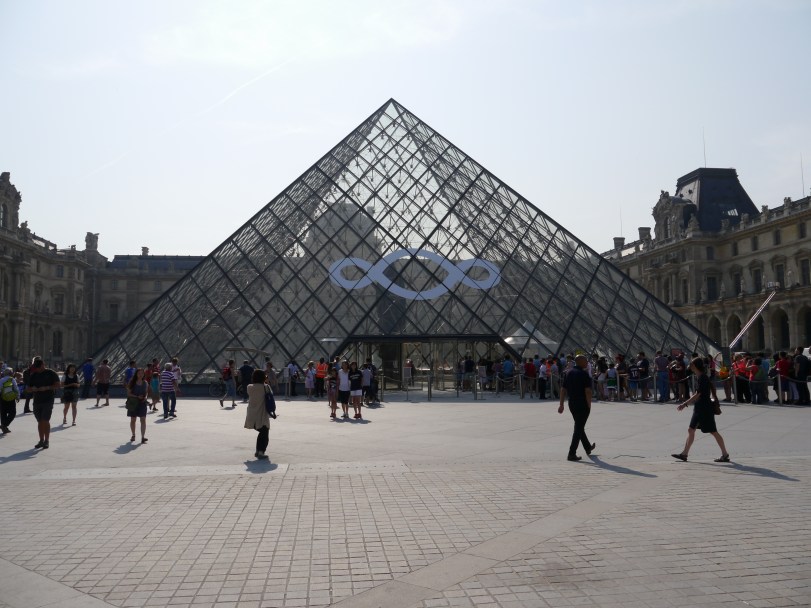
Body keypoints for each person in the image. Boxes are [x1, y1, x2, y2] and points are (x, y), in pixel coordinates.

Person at [672, 357, 730, 463]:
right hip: (699, 408)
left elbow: (698, 394)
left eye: (691, 364)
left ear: (695, 366)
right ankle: (684, 454)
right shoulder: (700, 377)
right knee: (691, 430)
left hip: (704, 409)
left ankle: (725, 454)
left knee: (713, 431)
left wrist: (684, 404)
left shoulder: (702, 378)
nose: (689, 365)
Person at [558, 354, 596, 461]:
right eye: (585, 361)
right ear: (580, 362)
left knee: (579, 425)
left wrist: (561, 404)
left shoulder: (568, 373)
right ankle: (571, 453)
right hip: (582, 403)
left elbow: (563, 389)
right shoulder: (584, 374)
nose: (587, 362)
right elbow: (588, 391)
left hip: (572, 403)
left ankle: (587, 447)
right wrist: (589, 404)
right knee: (578, 428)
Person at [26, 356, 61, 450]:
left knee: (45, 420)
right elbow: (28, 389)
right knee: (40, 421)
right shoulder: (33, 375)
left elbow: (58, 385)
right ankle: (41, 440)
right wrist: (32, 389)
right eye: (36, 367)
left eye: (38, 367)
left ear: (43, 365)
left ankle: (46, 441)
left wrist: (47, 388)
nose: (37, 369)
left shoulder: (51, 373)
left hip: (48, 400)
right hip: (37, 400)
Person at [245, 369, 271, 459]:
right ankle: (261, 452)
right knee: (265, 433)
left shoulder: (249, 387)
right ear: (263, 377)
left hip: (252, 414)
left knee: (262, 433)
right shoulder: (266, 387)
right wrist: (266, 381)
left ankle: (258, 451)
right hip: (262, 414)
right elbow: (270, 395)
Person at [126, 368, 149, 443]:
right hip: (133, 403)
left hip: (142, 403)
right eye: (139, 373)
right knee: (133, 420)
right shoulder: (132, 382)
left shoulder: (145, 382)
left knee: (143, 419)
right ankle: (133, 434)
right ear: (136, 374)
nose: (140, 375)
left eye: (142, 373)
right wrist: (137, 397)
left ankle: (142, 437)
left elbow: (146, 392)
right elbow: (128, 394)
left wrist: (145, 397)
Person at [1, 368, 20, 434]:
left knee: (3, 413)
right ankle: (4, 425)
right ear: (11, 373)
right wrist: (17, 397)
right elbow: (16, 389)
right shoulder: (12, 379)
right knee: (12, 413)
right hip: (11, 398)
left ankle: (4, 427)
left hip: (2, 398)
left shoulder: (1, 380)